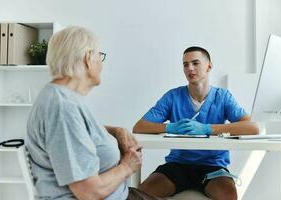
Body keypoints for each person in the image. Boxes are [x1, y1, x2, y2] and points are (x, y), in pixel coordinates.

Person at [26, 26, 163, 200]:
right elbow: (88, 192)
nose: (102, 63)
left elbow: (76, 132)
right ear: (88, 59)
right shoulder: (62, 108)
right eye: (100, 56)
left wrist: (115, 131)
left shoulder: (63, 99)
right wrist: (128, 166)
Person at [133, 46, 260, 200]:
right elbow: (139, 126)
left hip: (212, 167)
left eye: (195, 63)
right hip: (178, 165)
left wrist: (207, 128)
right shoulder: (173, 96)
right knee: (141, 194)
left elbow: (253, 128)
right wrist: (169, 127)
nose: (190, 69)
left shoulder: (223, 97)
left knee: (228, 196)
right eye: (185, 65)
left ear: (209, 66)